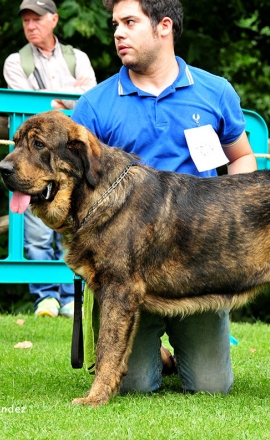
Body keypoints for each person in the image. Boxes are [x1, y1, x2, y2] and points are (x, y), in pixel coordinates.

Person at [72, 0, 257, 395]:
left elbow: (242, 158)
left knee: (213, 388)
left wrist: (238, 220)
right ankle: (148, 352)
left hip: (199, 261)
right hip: (125, 267)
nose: (118, 32)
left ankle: (174, 350)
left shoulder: (215, 91)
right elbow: (77, 191)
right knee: (134, 386)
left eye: (129, 22)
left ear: (164, 27)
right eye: (115, 24)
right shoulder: (95, 105)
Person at [3, 0, 97, 318]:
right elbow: (34, 108)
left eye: (37, 19)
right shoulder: (16, 62)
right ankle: (45, 297)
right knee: (38, 232)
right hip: (32, 158)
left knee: (72, 230)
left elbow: (88, 99)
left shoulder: (77, 58)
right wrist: (63, 95)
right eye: (26, 20)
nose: (30, 25)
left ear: (54, 20)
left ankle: (71, 298)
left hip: (67, 158)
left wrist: (56, 97)